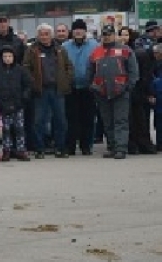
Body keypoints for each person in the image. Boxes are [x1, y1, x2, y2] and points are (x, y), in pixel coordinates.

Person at [88, 24, 138, 160]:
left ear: (114, 35)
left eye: (109, 34)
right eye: (104, 34)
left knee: (120, 121)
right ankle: (111, 147)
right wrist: (92, 87)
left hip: (121, 91)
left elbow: (133, 72)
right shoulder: (95, 52)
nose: (107, 36)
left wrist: (128, 87)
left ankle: (121, 148)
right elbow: (90, 71)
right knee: (107, 121)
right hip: (101, 92)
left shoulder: (126, 50)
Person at [23, 23, 73, 159]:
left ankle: (60, 148)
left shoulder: (60, 49)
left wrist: (66, 80)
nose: (44, 37)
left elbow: (69, 66)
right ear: (38, 35)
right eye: (41, 34)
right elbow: (26, 68)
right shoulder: (32, 50)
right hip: (40, 90)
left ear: (51, 35)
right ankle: (40, 149)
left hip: (57, 90)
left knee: (60, 121)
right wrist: (33, 83)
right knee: (39, 121)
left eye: (46, 34)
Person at [62, 19, 98, 156]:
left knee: (88, 118)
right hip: (71, 87)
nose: (78, 31)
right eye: (76, 29)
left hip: (88, 87)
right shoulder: (65, 46)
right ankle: (70, 145)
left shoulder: (94, 45)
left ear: (85, 31)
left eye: (81, 29)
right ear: (72, 31)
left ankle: (86, 145)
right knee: (71, 118)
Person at [0, 46, 32, 161]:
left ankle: (21, 150)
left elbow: (28, 85)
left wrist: (24, 98)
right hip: (3, 105)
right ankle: (6, 150)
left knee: (19, 128)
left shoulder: (20, 70)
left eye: (10, 56)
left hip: (18, 104)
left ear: (14, 57)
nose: (7, 58)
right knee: (6, 129)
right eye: (5, 56)